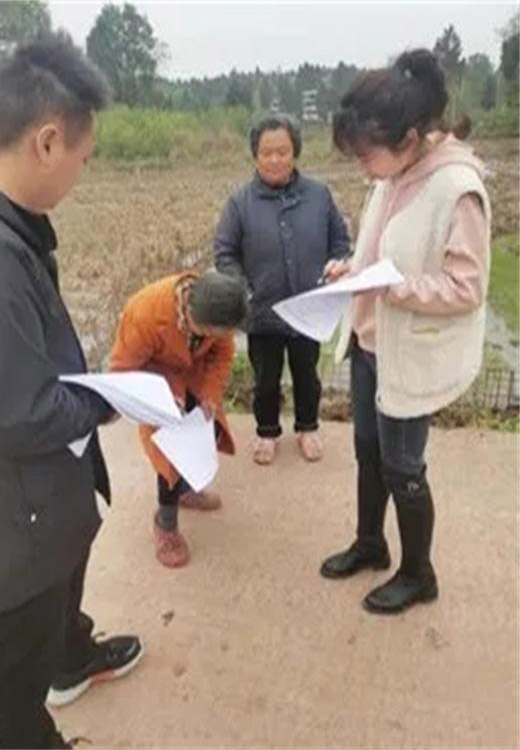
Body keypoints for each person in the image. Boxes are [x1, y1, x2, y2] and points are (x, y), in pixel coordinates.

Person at [0, 35, 143, 748]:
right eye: (83, 157)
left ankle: (71, 657)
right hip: (8, 524)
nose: (81, 174)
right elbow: (22, 416)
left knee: (54, 608)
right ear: (47, 141)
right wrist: (108, 397)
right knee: (16, 672)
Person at [319, 49, 491, 614]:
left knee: (403, 466)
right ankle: (371, 543)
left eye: (366, 155)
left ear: (411, 137)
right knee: (368, 451)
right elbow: (382, 246)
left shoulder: (456, 188)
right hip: (370, 343)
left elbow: (467, 287)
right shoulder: (390, 175)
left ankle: (419, 574)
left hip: (409, 354)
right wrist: (350, 268)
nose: (363, 167)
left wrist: (394, 288)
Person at [214, 113, 350, 466]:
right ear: (255, 156)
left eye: (282, 152)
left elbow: (340, 242)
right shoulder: (240, 202)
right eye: (266, 153)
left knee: (307, 374)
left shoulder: (319, 196)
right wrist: (244, 289)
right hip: (262, 311)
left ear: (295, 153)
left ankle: (307, 428)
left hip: (308, 309)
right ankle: (267, 432)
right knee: (265, 379)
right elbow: (225, 253)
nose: (274, 160)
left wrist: (337, 264)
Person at [109, 270, 247, 568]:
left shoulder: (218, 311)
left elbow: (222, 355)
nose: (221, 338)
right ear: (195, 317)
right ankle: (166, 523)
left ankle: (185, 490)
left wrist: (209, 394)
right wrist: (165, 395)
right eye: (215, 333)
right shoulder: (144, 313)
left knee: (205, 435)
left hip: (195, 379)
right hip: (156, 387)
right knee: (170, 456)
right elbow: (122, 370)